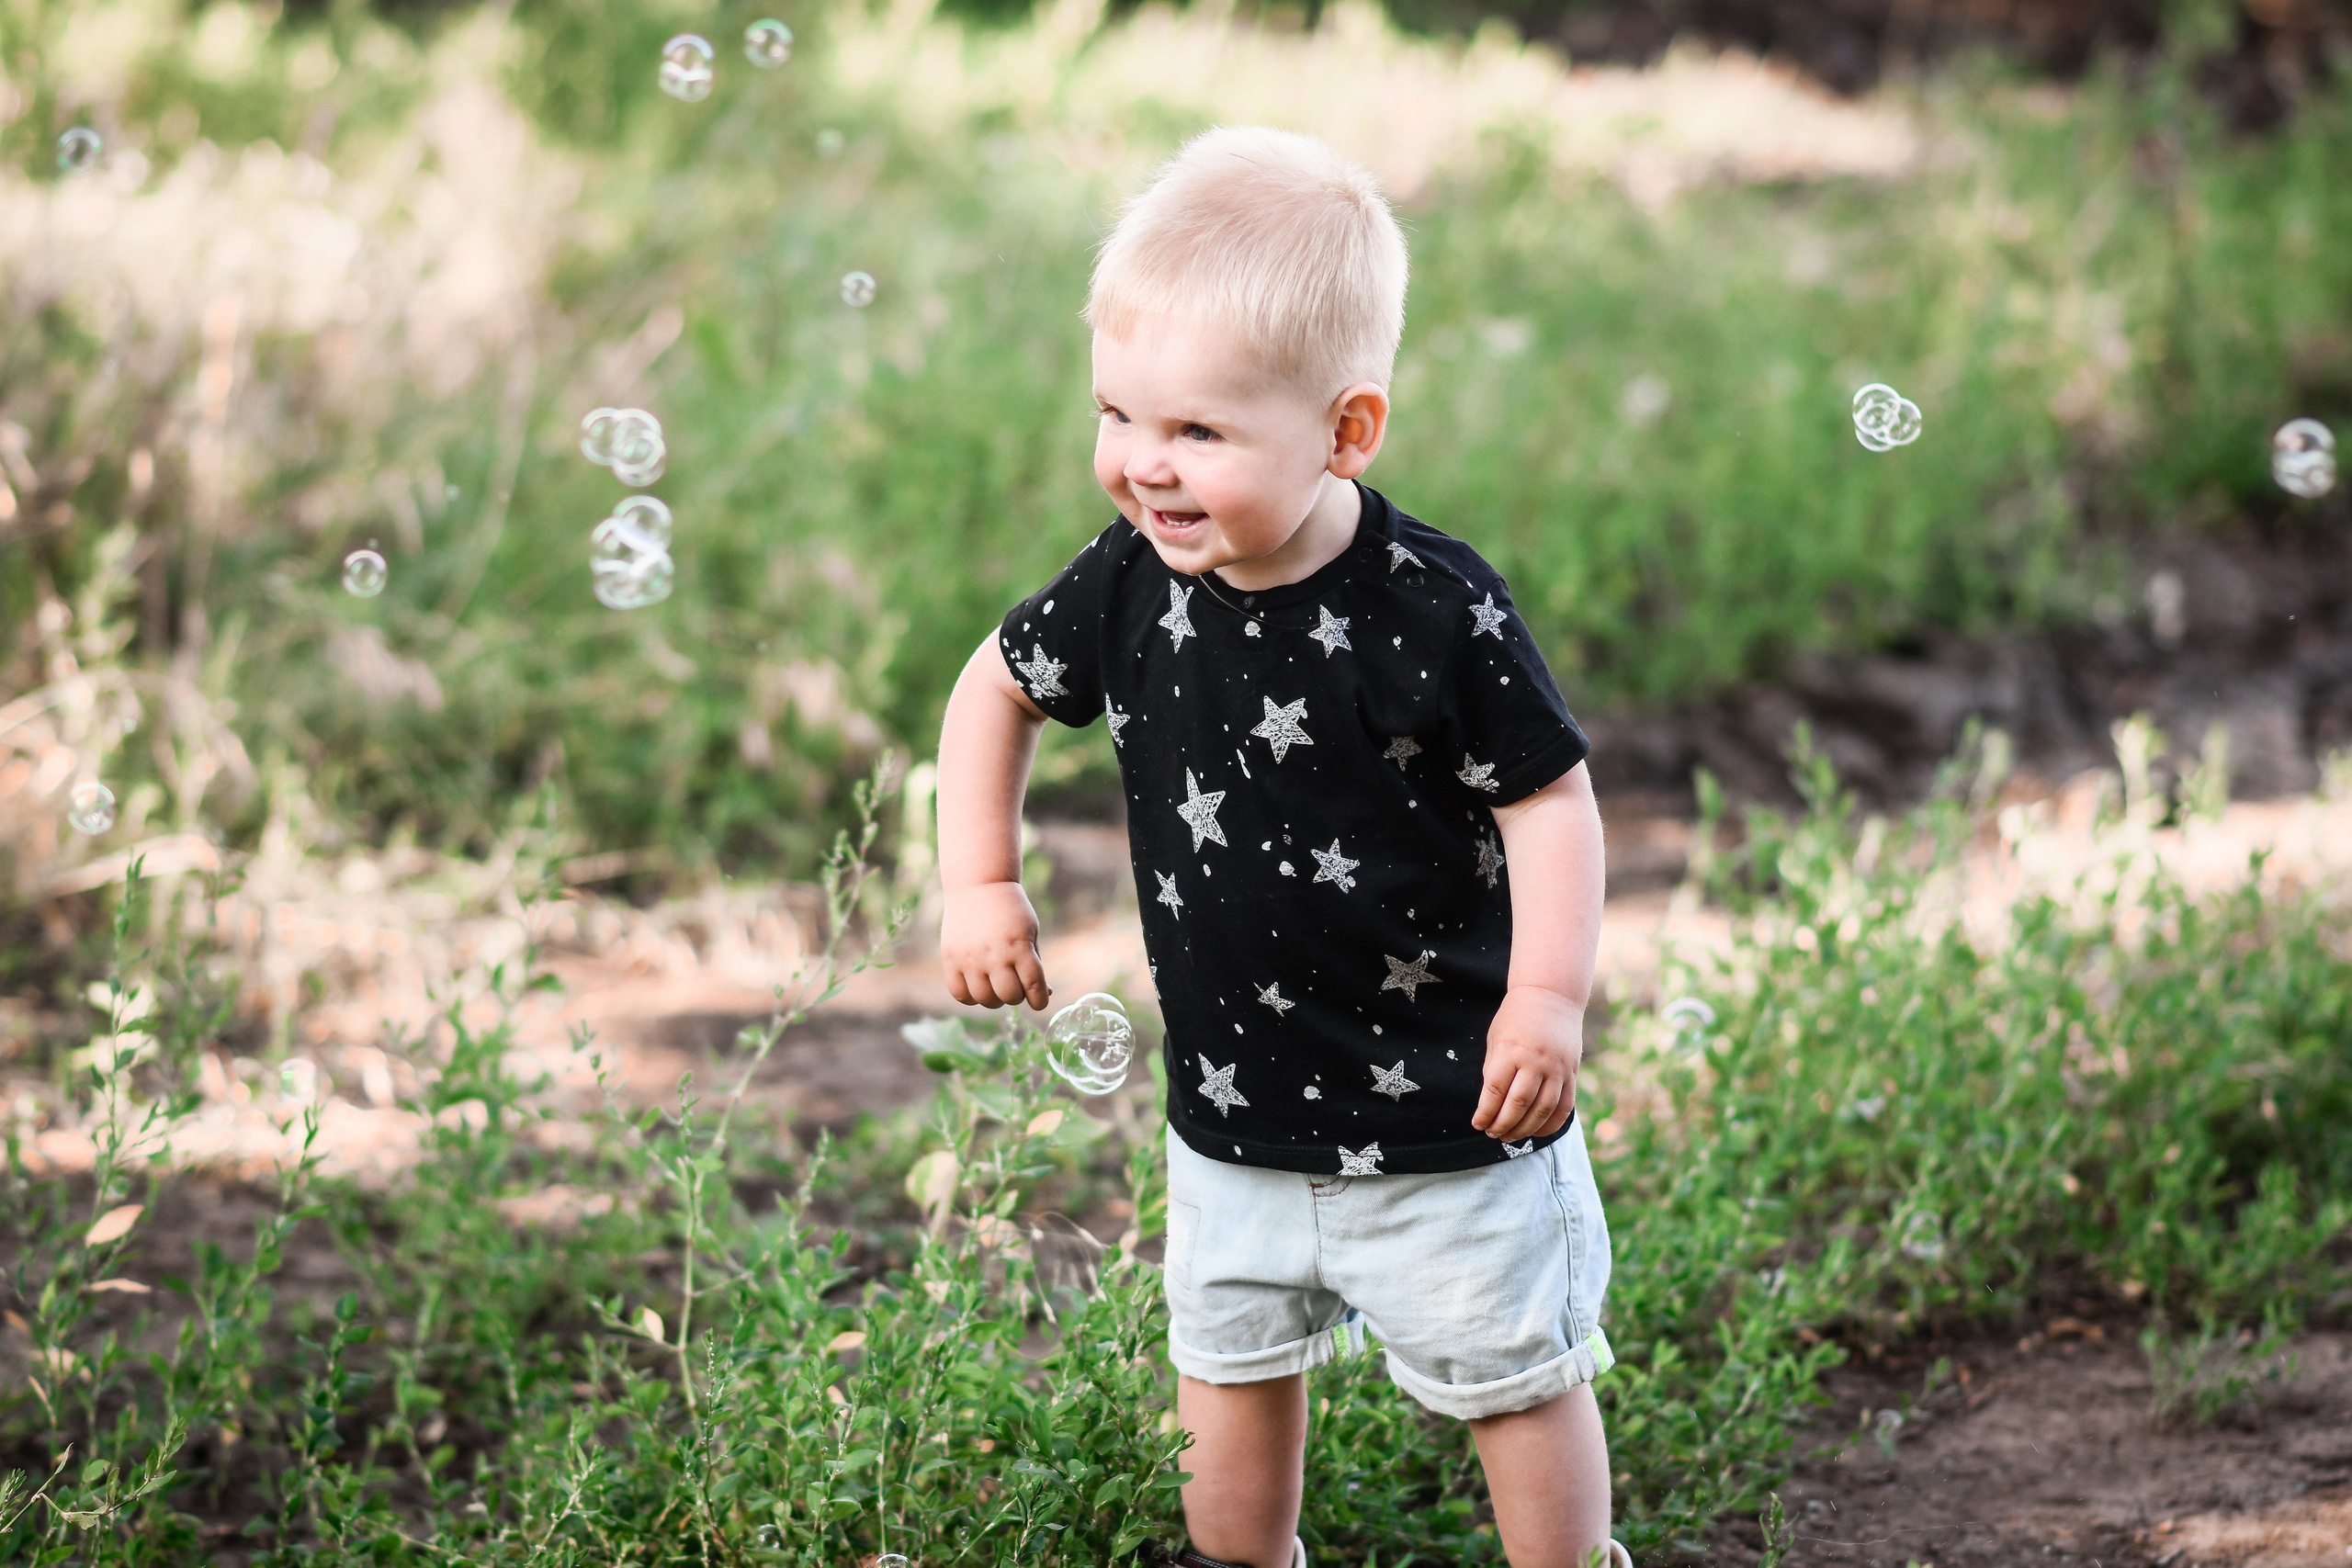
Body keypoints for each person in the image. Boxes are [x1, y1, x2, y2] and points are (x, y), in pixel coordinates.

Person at [933, 125, 1627, 1568]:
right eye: (1119, 414)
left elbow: (1549, 801)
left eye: (1198, 432)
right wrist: (977, 879)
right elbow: (993, 685)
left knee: (1515, 1380)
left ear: (1345, 430)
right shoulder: (1126, 577)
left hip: (1452, 1119)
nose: (1142, 467)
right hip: (1234, 1122)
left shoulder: (1436, 608)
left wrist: (1546, 1000)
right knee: (1228, 1389)